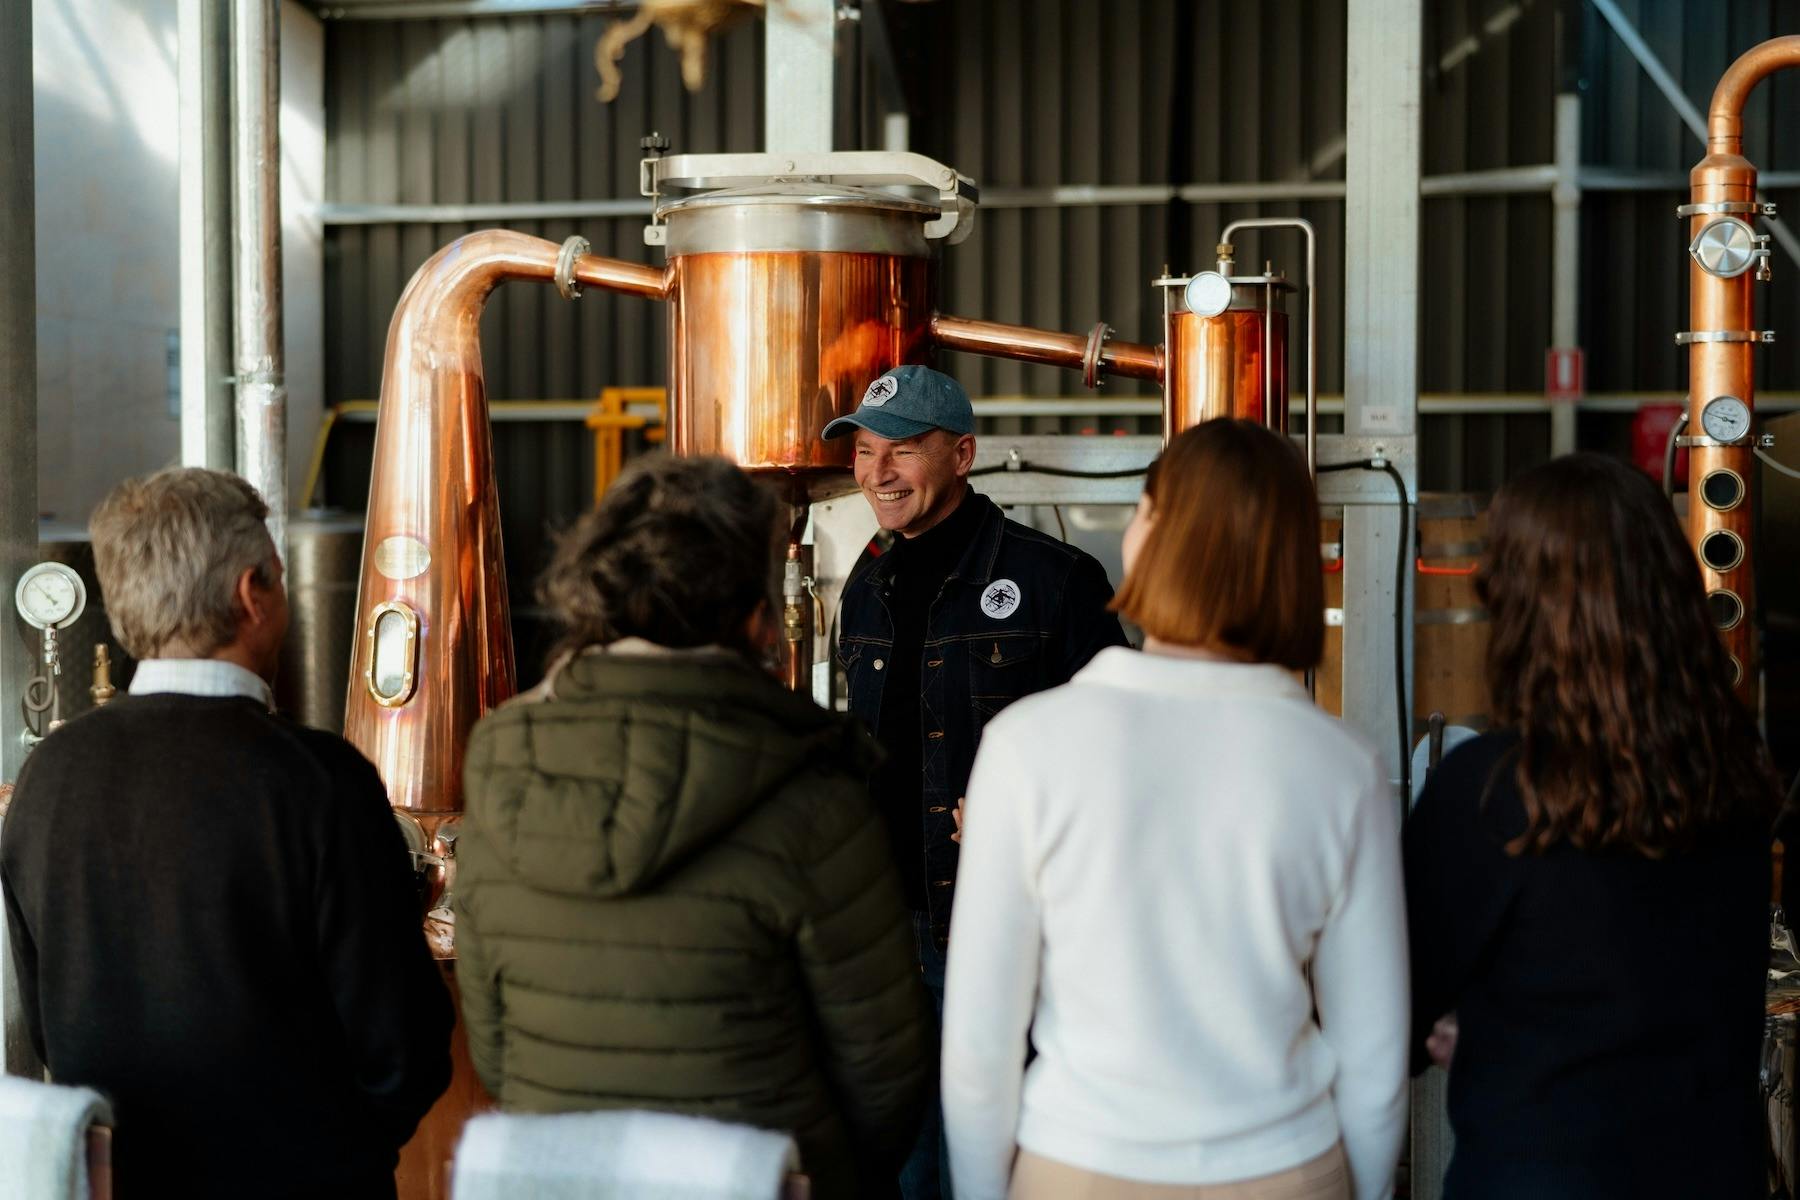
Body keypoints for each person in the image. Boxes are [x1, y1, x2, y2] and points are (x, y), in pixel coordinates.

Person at [940, 419, 1409, 1200]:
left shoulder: (1027, 744)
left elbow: (980, 1050)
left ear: (1149, 530)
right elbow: (1376, 1060)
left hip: (1080, 1166)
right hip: (1285, 1167)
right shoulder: (1343, 767)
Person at [453, 454, 931, 1200]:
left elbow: (493, 1037)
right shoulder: (818, 790)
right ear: (754, 614)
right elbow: (886, 1070)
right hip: (771, 1178)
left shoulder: (504, 761)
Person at [0, 467, 451, 1199]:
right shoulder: (320, 782)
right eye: (278, 575)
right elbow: (405, 1050)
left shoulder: (49, 775)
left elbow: (51, 1029)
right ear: (253, 595)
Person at [1404, 452, 1778, 1199]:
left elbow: (1396, 1013)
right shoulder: (1736, 773)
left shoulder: (1487, 790)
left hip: (1537, 1174)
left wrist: (1482, 1035)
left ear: (1520, 605)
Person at [824, 363, 1129, 1199]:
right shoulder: (866, 585)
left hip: (1002, 919)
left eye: (903, 450)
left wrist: (1029, 817)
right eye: (863, 451)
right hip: (886, 922)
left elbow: (1120, 752)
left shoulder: (1055, 582)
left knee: (1004, 1150)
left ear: (963, 453)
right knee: (907, 1148)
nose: (877, 473)